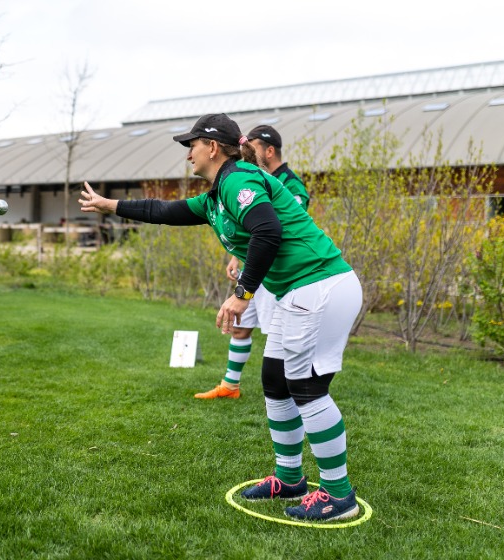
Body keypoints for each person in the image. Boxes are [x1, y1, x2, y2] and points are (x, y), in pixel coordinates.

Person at [79, 113, 363, 521]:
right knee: (274, 380)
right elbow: (166, 210)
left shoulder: (238, 180)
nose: (188, 153)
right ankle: (290, 478)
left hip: (318, 286)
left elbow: (268, 232)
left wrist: (241, 296)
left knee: (307, 387)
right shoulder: (217, 195)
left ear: (212, 147)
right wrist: (111, 205)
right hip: (297, 290)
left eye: (190, 145)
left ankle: (339, 496)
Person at [195, 124, 310, 400]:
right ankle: (230, 385)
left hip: (277, 272)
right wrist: (237, 255)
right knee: (239, 325)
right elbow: (251, 224)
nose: (245, 151)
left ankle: (287, 390)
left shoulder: (290, 184)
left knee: (277, 333)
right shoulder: (247, 178)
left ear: (269, 151)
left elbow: (273, 228)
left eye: (253, 146)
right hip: (254, 270)